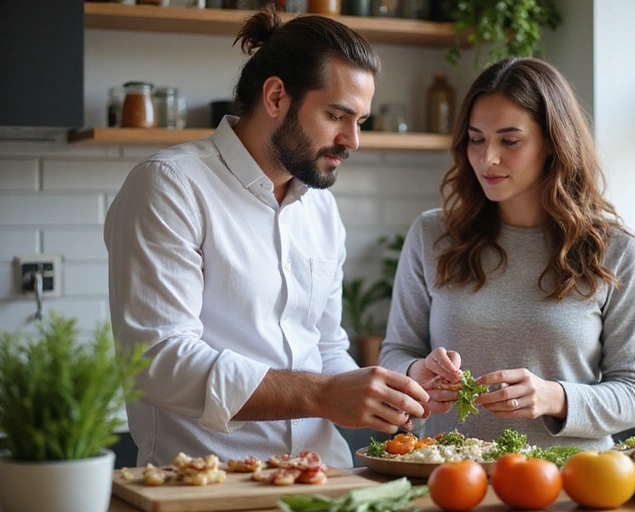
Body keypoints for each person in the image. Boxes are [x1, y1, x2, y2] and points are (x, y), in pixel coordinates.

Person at [103, 7, 429, 469]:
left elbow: (326, 349)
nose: (353, 140)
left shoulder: (320, 207)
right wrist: (323, 395)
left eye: (359, 121)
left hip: (325, 477)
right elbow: (159, 362)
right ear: (276, 97)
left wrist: (391, 391)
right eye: (337, 115)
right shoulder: (170, 185)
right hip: (209, 484)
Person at [378, 57, 635, 451]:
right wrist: (416, 370)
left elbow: (634, 393)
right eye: (476, 139)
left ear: (553, 144)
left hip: (572, 476)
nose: (487, 158)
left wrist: (554, 397)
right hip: (448, 472)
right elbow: (395, 353)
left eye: (509, 141)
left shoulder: (617, 249)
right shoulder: (432, 234)